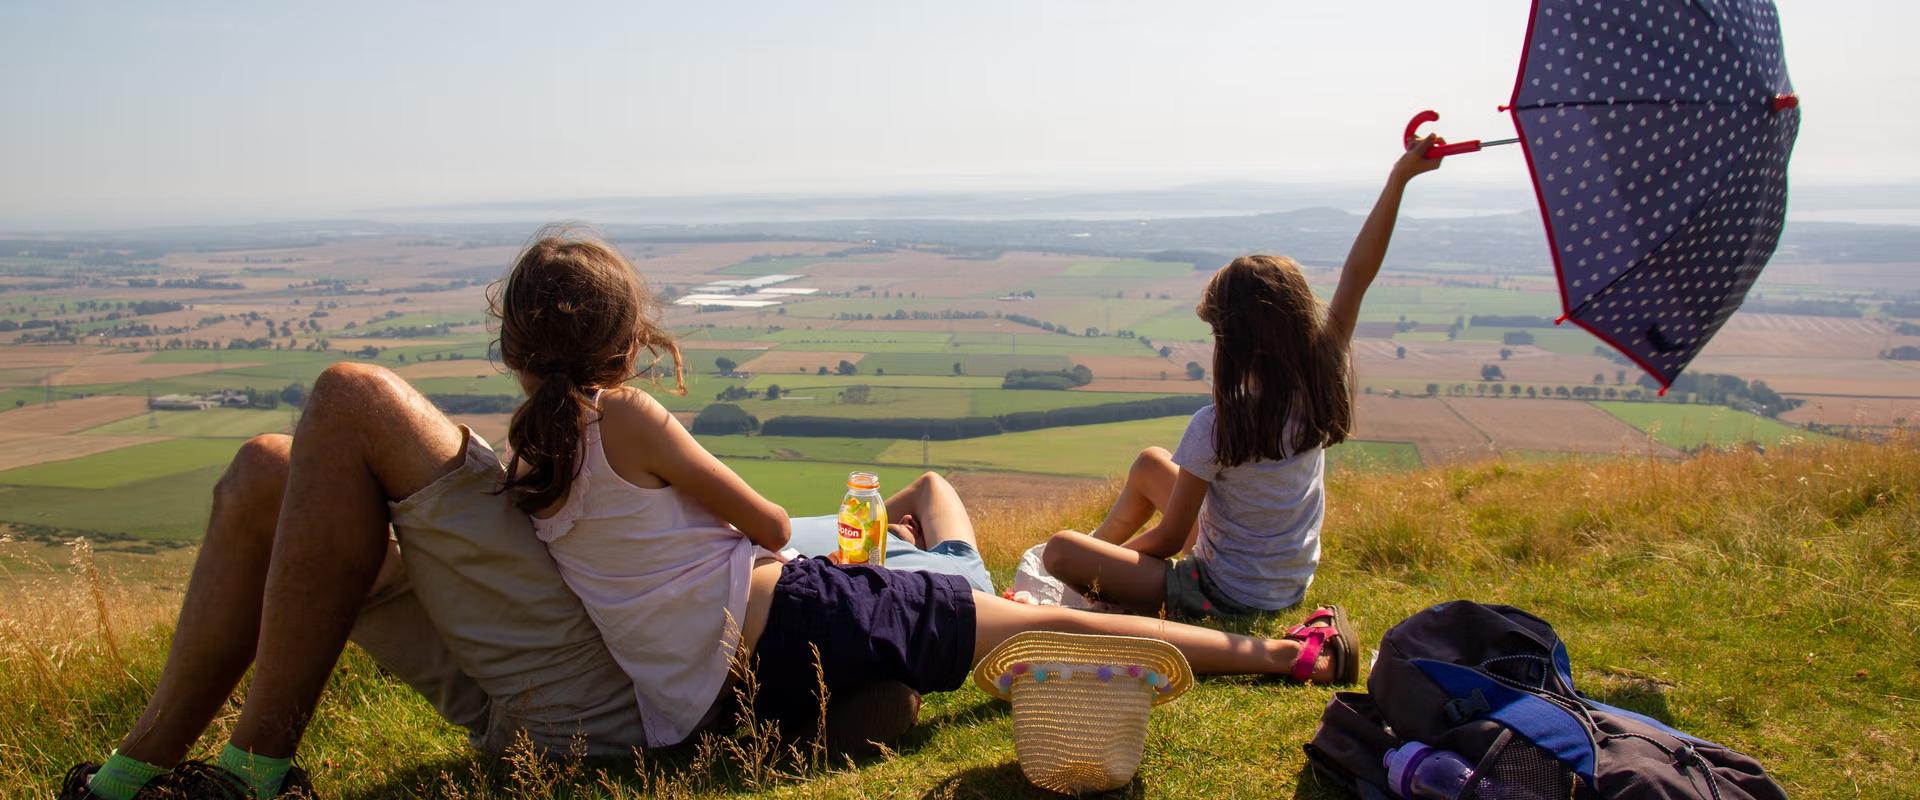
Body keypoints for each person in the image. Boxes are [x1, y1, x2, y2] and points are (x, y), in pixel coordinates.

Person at [491, 228, 1362, 745]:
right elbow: (761, 525)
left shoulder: (530, 453)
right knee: (1047, 624)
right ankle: (1292, 657)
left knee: (911, 650)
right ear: (622, 331)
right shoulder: (626, 416)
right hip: (790, 620)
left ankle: (866, 707)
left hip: (695, 704)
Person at [1041, 137, 1441, 620]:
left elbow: (1170, 539)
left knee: (1061, 551)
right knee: (1151, 463)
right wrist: (1399, 178)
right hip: (1285, 586)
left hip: (1222, 593)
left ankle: (1089, 572)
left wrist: (1113, 567)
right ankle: (1100, 553)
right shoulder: (1320, 377)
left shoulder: (1217, 425)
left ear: (1230, 343)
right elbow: (1358, 275)